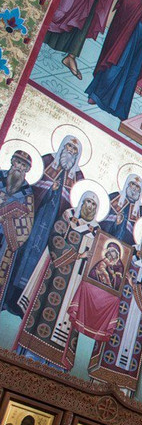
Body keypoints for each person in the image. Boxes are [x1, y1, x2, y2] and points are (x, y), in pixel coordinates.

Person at [15, 183, 105, 371]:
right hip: (54, 276)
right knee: (42, 314)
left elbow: (98, 263)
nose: (90, 206)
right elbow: (55, 238)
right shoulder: (67, 217)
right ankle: (30, 354)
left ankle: (56, 366)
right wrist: (77, 255)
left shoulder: (97, 233)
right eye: (87, 202)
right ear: (81, 202)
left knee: (66, 322)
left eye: (94, 204)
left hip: (75, 284)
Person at [4, 135, 84, 315]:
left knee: (40, 266)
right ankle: (8, 297)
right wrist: (49, 190)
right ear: (62, 146)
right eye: (68, 147)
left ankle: (24, 306)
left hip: (52, 232)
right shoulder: (47, 161)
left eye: (74, 150)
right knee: (20, 257)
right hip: (31, 222)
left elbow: (74, 209)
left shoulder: (78, 178)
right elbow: (30, 189)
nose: (70, 152)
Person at [87, 222, 142, 392]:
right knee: (111, 339)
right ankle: (98, 381)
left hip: (139, 317)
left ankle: (124, 388)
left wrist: (134, 285)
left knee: (131, 349)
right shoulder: (131, 254)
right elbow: (116, 270)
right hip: (120, 307)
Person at [0, 149, 36, 308]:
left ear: (27, 170)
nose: (19, 167)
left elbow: (27, 222)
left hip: (5, 241)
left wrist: (8, 220)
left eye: (23, 166)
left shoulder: (27, 193)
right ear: (12, 162)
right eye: (18, 162)